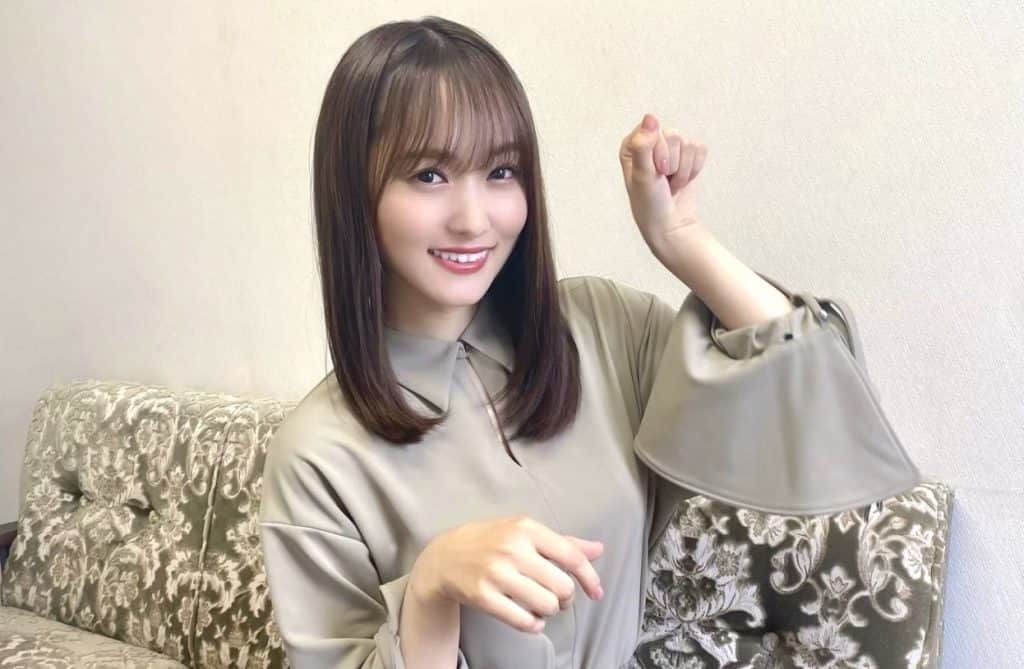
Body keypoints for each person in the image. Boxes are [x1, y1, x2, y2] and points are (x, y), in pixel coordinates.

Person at [258, 15, 922, 669]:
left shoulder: (603, 330)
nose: (473, 219)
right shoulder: (318, 456)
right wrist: (431, 588)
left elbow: (817, 405)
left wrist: (681, 240)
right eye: (429, 174)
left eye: (501, 171)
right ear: (355, 191)